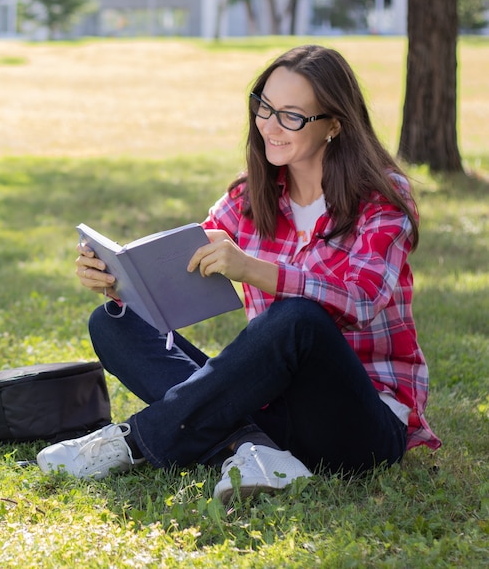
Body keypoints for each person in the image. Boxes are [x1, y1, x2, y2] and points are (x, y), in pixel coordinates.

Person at [37, 44, 441, 504]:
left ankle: (134, 441)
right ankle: (257, 450)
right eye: (264, 107)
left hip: (361, 425)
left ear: (334, 124)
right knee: (113, 323)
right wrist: (118, 279)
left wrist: (253, 269)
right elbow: (179, 266)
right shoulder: (250, 197)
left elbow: (361, 300)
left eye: (291, 115)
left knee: (299, 321)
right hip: (270, 409)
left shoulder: (383, 198)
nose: (269, 125)